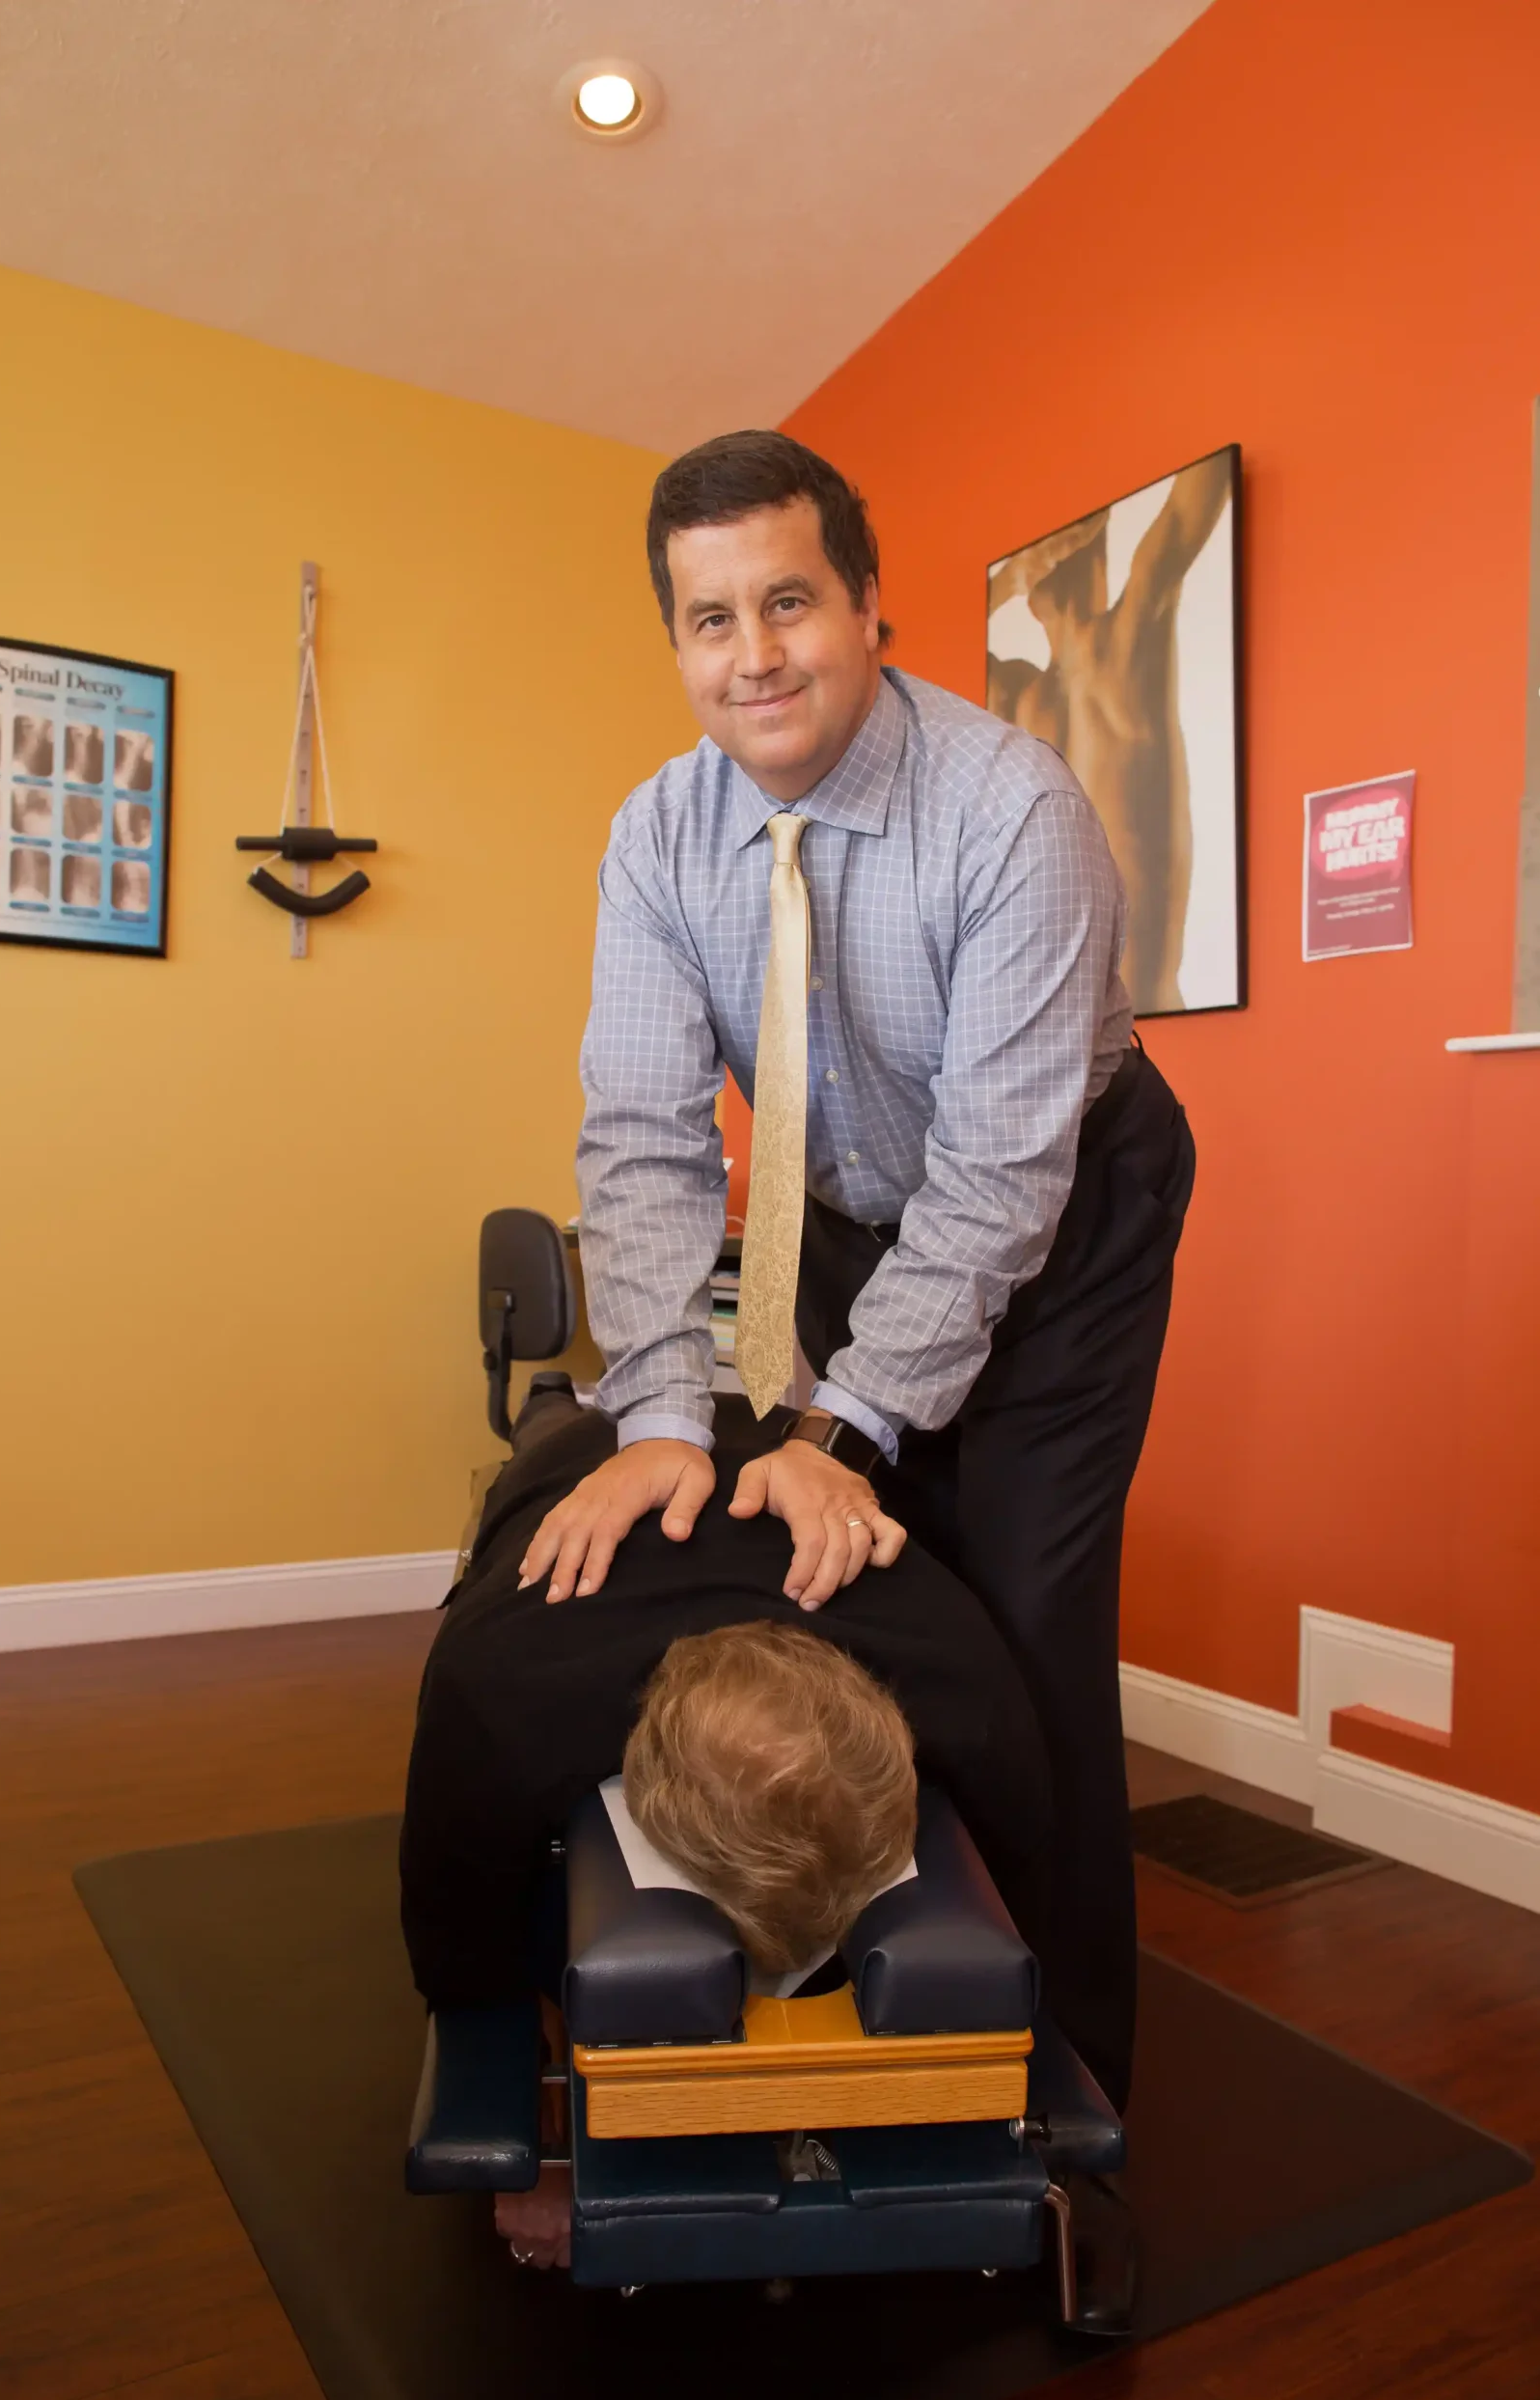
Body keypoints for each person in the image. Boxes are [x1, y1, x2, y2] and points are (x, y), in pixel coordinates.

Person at [517, 429, 1196, 2118]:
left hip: (1064, 1206)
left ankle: (1069, 2097)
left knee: (1022, 1627)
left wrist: (849, 1423)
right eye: (708, 618)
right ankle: (861, 1991)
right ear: (673, 641)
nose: (752, 655)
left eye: (790, 602)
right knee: (841, 1579)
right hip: (838, 1204)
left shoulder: (1009, 815)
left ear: (872, 607)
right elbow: (646, 1139)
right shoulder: (656, 838)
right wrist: (669, 1413)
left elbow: (995, 1185)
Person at [399, 1386, 1052, 2270]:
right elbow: (461, 1953)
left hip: (787, 1451)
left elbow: (1027, 1892)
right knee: (553, 1425)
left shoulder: (965, 1680)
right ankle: (551, 1404)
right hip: (584, 1463)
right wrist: (536, 2161)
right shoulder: (498, 1692)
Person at [985, 454, 1232, 1015]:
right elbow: (887, 672)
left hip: (1147, 1010)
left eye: (1077, 547)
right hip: (1052, 1028)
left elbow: (1201, 494)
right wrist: (1011, 577)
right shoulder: (1014, 696)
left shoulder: (1128, 634)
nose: (1059, 565)